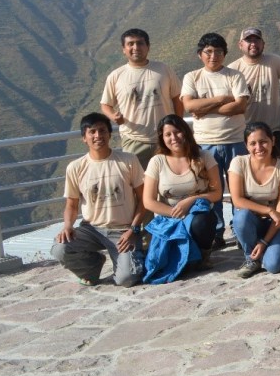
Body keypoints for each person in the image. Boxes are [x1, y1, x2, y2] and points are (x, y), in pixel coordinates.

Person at [51, 112, 145, 287]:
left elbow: (143, 199)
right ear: (84, 138)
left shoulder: (128, 161)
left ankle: (133, 258)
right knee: (60, 248)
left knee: (126, 279)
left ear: (109, 134)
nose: (98, 136)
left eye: (102, 130)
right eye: (92, 132)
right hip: (91, 229)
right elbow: (71, 205)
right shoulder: (75, 167)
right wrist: (68, 226)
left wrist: (133, 230)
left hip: (123, 230)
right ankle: (92, 266)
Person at [181, 32, 250, 246]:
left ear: (225, 54)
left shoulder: (234, 76)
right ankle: (217, 232)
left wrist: (204, 108)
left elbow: (240, 106)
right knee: (211, 190)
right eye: (208, 52)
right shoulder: (192, 77)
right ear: (200, 54)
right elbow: (189, 105)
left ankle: (239, 230)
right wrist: (221, 99)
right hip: (205, 143)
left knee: (239, 188)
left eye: (218, 51)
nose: (213, 56)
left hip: (235, 140)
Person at [142, 115, 222, 280]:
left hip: (197, 216)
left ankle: (203, 255)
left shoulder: (204, 156)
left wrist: (190, 201)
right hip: (170, 219)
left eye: (177, 132)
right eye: (168, 134)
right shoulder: (157, 162)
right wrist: (175, 213)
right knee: (169, 268)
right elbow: (148, 201)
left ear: (186, 132)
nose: (174, 138)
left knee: (202, 221)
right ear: (162, 138)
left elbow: (217, 193)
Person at [100, 28, 183, 169]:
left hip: (165, 138)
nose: (136, 47)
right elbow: (105, 104)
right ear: (123, 49)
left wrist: (178, 124)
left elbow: (177, 98)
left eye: (140, 43)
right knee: (135, 180)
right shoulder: (116, 76)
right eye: (130, 44)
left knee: (168, 177)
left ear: (148, 46)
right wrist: (113, 116)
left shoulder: (163, 69)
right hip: (133, 140)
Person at [228, 122, 280, 278]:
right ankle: (251, 258)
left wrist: (264, 242)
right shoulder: (239, 163)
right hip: (253, 220)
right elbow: (237, 200)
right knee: (241, 217)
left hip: (279, 222)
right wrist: (269, 210)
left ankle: (273, 249)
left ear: (273, 141)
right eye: (253, 143)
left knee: (273, 266)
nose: (258, 147)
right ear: (246, 146)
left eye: (263, 142)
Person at [227, 27, 280, 149]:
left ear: (263, 44)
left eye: (256, 40)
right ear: (240, 45)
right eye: (248, 40)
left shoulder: (274, 61)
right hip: (244, 134)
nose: (253, 44)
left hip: (273, 132)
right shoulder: (233, 70)